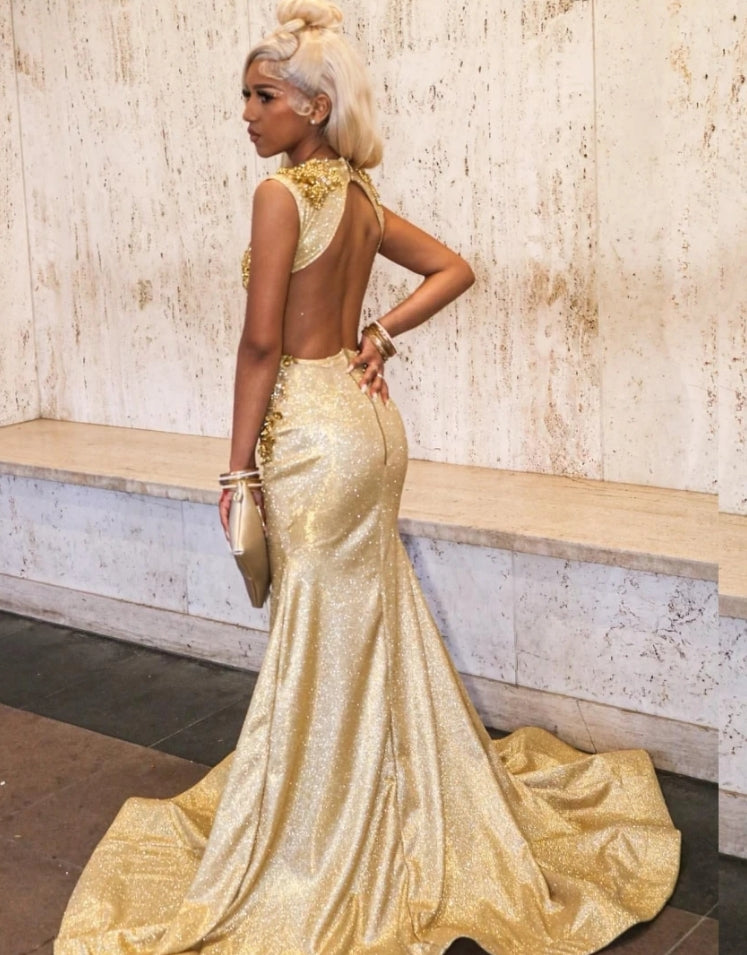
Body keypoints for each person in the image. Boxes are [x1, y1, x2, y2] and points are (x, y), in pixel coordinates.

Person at [55, 2, 680, 953]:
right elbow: (452, 268)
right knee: (364, 618)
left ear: (313, 106)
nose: (246, 114)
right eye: (244, 97)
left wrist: (236, 467)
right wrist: (378, 334)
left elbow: (260, 342)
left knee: (319, 626)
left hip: (313, 434)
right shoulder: (355, 195)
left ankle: (321, 826)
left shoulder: (281, 196)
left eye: (263, 97)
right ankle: (386, 794)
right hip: (371, 428)